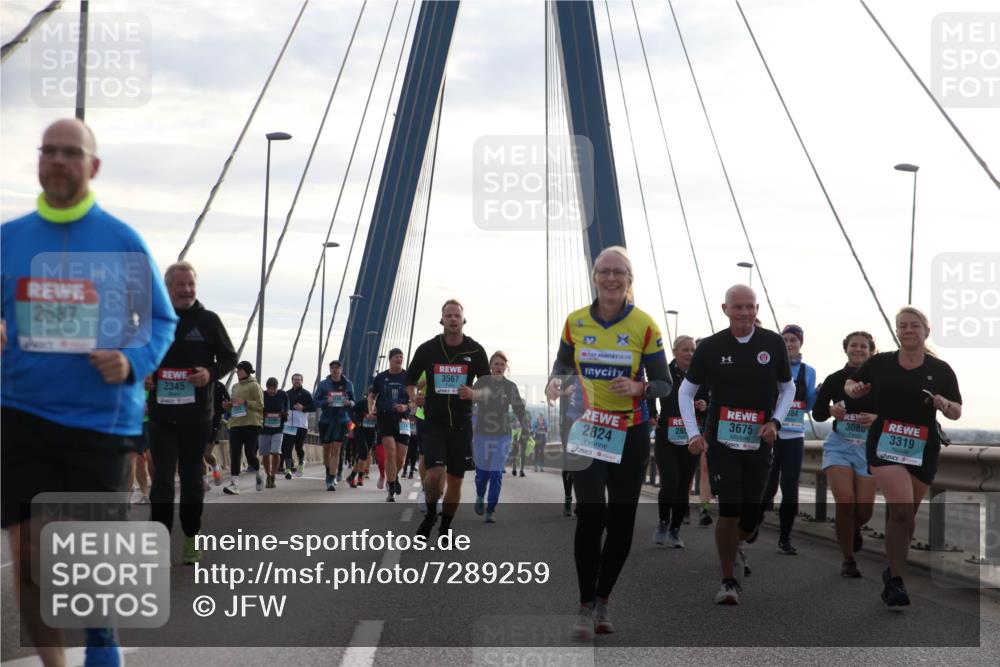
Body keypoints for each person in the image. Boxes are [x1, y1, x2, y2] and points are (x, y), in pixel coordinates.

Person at [1, 118, 177, 666]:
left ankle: (102, 638)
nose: (57, 160)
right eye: (49, 150)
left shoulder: (122, 241)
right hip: (21, 412)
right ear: (38, 159)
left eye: (70, 152)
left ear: (93, 166)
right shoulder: (9, 239)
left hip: (101, 421)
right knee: (29, 549)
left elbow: (161, 321)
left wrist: (131, 360)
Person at [544, 246, 670, 640]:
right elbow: (563, 364)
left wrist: (639, 388)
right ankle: (585, 606)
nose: (611, 278)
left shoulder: (644, 325)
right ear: (595, 277)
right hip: (587, 428)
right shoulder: (575, 321)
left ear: (629, 280)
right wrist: (555, 381)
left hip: (630, 432)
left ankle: (603, 600)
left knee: (620, 521)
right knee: (591, 514)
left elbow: (664, 383)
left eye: (619, 272)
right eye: (604, 271)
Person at [680, 285, 794, 605]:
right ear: (725, 309)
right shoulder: (711, 347)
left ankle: (739, 543)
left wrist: (776, 422)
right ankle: (728, 580)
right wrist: (693, 434)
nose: (744, 312)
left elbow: (787, 388)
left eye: (750, 307)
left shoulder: (772, 343)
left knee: (751, 518)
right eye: (738, 307)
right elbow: (686, 392)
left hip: (759, 441)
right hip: (722, 442)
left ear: (757, 309)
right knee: (729, 509)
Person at [846, 307, 961, 606]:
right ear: (897, 331)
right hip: (885, 444)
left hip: (923, 448)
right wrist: (855, 389)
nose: (908, 330)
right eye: (902, 326)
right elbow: (851, 384)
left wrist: (945, 404)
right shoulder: (880, 363)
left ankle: (892, 570)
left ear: (926, 331)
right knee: (901, 512)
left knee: (907, 518)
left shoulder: (941, 369)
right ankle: (897, 581)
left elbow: (957, 411)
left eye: (914, 325)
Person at [149, 261, 238, 564]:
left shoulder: (208, 321)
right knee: (162, 480)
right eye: (180, 285)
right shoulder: (154, 320)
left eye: (191, 285)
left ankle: (191, 535)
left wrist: (210, 373)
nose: (187, 290)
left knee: (191, 480)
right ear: (168, 288)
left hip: (196, 415)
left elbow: (229, 357)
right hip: (161, 415)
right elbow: (135, 355)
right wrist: (143, 374)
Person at [407, 299, 491, 538]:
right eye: (449, 315)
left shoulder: (475, 351)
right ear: (441, 320)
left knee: (455, 481)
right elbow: (410, 381)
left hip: (462, 426)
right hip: (434, 423)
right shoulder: (427, 349)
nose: (453, 319)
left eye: (457, 316)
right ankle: (430, 514)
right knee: (434, 474)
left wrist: (473, 393)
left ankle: (445, 527)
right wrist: (414, 398)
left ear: (464, 320)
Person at [813, 330, 878, 578]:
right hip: (839, 445)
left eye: (863, 346)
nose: (858, 349)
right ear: (846, 349)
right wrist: (831, 410)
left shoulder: (880, 381)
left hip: (867, 448)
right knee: (846, 501)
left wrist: (876, 418)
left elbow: (894, 412)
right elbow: (818, 412)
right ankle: (848, 559)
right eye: (853, 345)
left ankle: (853, 528)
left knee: (864, 511)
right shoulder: (834, 379)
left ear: (871, 351)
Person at [757, 324, 817, 555]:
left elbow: (808, 406)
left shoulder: (808, 371)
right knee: (768, 486)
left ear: (800, 343)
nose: (789, 344)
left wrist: (817, 394)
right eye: (785, 340)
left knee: (790, 488)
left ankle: (784, 538)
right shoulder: (770, 366)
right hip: (772, 435)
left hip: (794, 435)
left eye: (793, 340)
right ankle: (753, 525)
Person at [652, 335, 709, 548]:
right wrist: (652, 414)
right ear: (675, 351)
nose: (690, 354)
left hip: (691, 438)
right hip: (666, 435)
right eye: (685, 350)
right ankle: (663, 523)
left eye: (693, 350)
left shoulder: (701, 373)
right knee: (669, 483)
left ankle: (675, 530)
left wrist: (704, 405)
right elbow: (650, 392)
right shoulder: (664, 372)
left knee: (683, 486)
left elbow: (710, 400)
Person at [473, 351, 532, 522]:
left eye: (502, 365)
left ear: (506, 367)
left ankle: (490, 509)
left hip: (503, 435)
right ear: (490, 366)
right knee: (482, 473)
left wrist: (525, 427)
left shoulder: (510, 386)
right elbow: (469, 403)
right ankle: (479, 495)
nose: (499, 367)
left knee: (496, 473)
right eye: (496, 364)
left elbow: (520, 409)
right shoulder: (481, 382)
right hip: (482, 434)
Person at [369, 348, 413, 501]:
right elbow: (372, 396)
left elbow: (414, 401)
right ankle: (391, 487)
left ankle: (394, 477)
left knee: (401, 458)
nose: (399, 359)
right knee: (391, 451)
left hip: (403, 420)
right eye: (396, 357)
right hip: (385, 418)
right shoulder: (381, 377)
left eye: (401, 357)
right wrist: (371, 410)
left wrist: (405, 407)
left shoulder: (408, 377)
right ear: (390, 359)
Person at [313, 360, 356, 491]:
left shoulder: (348, 384)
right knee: (326, 451)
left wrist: (349, 403)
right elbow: (315, 401)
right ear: (330, 370)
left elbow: (354, 401)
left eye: (337, 368)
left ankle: (331, 478)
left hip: (341, 420)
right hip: (326, 420)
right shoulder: (323, 384)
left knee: (336, 449)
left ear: (341, 370)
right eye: (332, 368)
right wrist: (326, 401)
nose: (335, 370)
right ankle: (328, 472)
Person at [224, 361, 264, 494]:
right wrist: (228, 406)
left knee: (250, 454)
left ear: (246, 371)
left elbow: (260, 405)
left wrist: (246, 402)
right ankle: (234, 484)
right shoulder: (235, 387)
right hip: (236, 423)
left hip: (252, 424)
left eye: (240, 370)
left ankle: (259, 473)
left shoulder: (255, 386)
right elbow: (235, 404)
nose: (237, 372)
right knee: (234, 454)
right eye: (237, 370)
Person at [283, 372, 315, 478]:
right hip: (289, 425)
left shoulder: (306, 394)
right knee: (287, 447)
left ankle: (301, 463)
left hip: (301, 425)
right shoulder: (287, 393)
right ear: (292, 381)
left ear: (302, 381)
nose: (296, 381)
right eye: (295, 379)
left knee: (298, 447)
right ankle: (288, 470)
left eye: (299, 379)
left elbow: (314, 408)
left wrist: (303, 408)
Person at [259, 377, 289, 488]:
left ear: (277, 387)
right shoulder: (262, 394)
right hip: (264, 429)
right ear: (266, 387)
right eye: (269, 389)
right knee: (265, 454)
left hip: (278, 428)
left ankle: (273, 475)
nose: (271, 391)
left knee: (276, 452)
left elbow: (287, 406)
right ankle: (268, 475)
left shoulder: (282, 394)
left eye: (274, 389)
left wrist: (285, 413)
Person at [205, 379, 230, 486]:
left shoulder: (219, 386)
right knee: (198, 453)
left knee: (206, 453)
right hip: (197, 422)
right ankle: (204, 480)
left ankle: (215, 468)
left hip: (214, 423)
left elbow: (228, 404)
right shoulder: (196, 382)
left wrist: (219, 409)